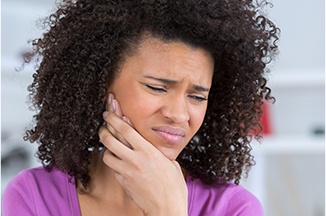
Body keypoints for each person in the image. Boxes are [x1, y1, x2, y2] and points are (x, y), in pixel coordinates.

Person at [2, 0, 279, 215]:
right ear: (100, 85)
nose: (179, 114)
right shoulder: (34, 196)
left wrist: (167, 211)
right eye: (157, 88)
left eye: (197, 97)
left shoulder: (233, 209)